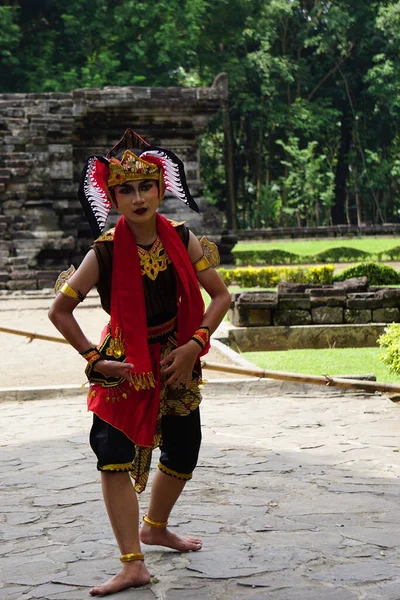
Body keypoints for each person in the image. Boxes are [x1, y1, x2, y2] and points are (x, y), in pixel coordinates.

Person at [48, 129, 231, 596]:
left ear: (161, 189)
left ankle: (156, 525)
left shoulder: (185, 239)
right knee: (112, 454)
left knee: (185, 446)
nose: (137, 197)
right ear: (112, 198)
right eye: (124, 190)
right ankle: (132, 561)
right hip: (124, 361)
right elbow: (59, 311)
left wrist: (194, 345)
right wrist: (93, 357)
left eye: (145, 186)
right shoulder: (105, 250)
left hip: (175, 354)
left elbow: (221, 296)